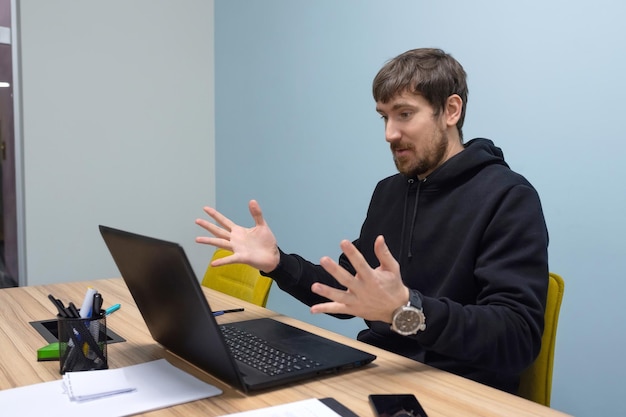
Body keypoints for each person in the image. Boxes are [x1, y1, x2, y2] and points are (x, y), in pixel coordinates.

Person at [195, 48, 549, 394]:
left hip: (458, 391)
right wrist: (277, 262)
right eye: (384, 117)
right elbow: (351, 292)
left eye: (404, 114)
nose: (389, 134)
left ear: (451, 110)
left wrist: (406, 309)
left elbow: (517, 338)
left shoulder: (508, 196)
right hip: (379, 375)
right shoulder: (389, 191)